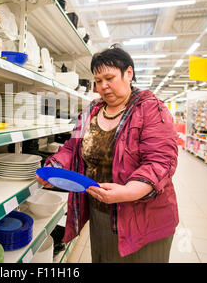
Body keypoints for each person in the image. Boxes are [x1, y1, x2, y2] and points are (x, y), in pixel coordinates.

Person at [36, 44, 179, 263]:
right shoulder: (92, 111)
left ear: (128, 73)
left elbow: (160, 162)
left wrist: (128, 192)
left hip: (143, 216)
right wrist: (53, 167)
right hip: (101, 212)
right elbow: (72, 148)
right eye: (98, 81)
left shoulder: (150, 109)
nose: (103, 86)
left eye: (109, 78)